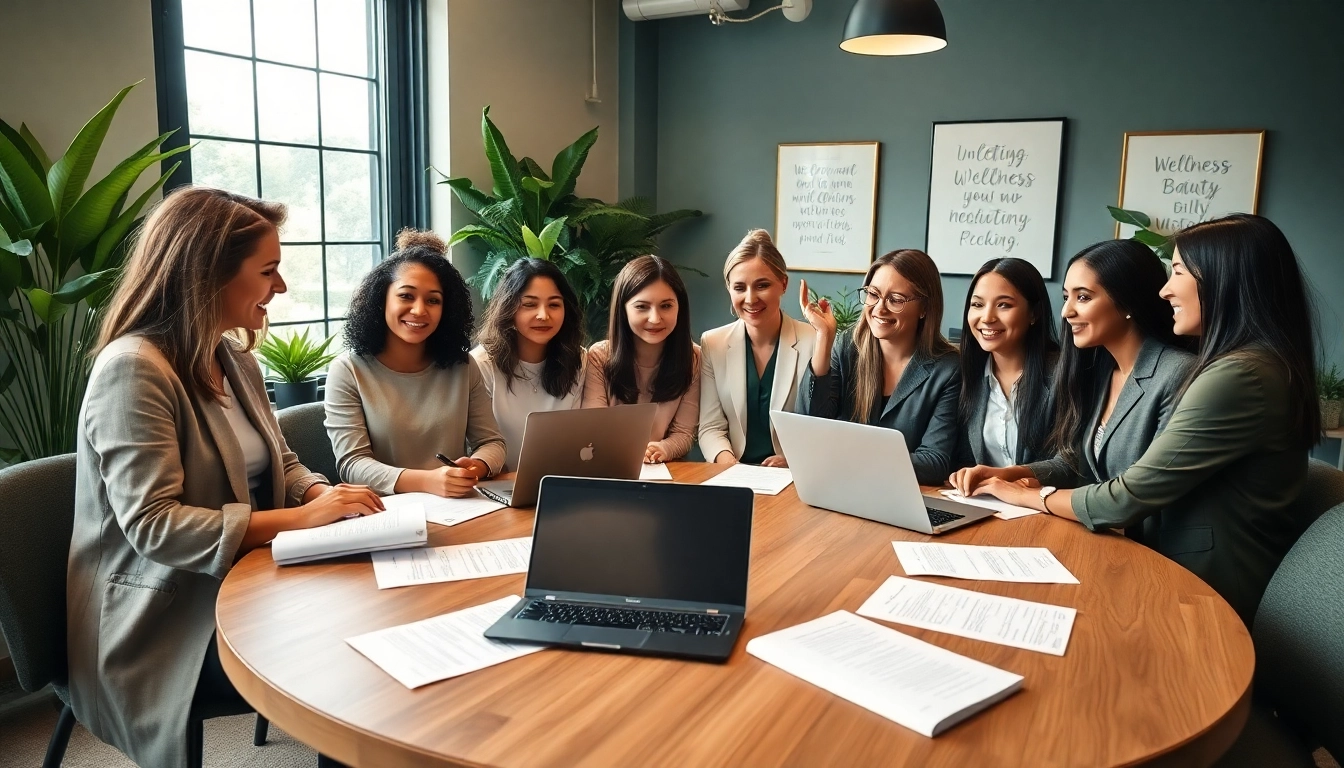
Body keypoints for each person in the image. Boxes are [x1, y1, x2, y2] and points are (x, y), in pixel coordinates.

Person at [68, 187, 383, 768]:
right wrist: (303, 519)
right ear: (207, 275)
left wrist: (325, 495)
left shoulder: (235, 359)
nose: (280, 286)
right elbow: (156, 527)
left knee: (377, 619)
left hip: (247, 580)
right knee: (348, 667)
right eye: (268, 270)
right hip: (163, 614)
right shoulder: (133, 370)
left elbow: (281, 462)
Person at [968, 214, 1320, 627]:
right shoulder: (1115, 370)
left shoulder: (1236, 376)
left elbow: (1126, 497)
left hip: (1200, 590)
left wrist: (1029, 496)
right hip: (1155, 563)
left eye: (1178, 272)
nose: (1166, 289)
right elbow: (1087, 463)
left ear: (1222, 278)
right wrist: (1018, 474)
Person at [950, 240, 1194, 501]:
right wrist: (1006, 475)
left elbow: (1134, 491)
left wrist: (1025, 495)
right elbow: (1074, 462)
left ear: (1127, 302)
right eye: (1067, 297)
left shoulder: (1176, 372)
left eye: (1083, 297)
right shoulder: (1101, 372)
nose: (1066, 312)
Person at [325, 229, 505, 496]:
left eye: (433, 300)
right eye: (406, 296)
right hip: (384, 509)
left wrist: (477, 465)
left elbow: (492, 443)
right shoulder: (348, 370)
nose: (419, 310)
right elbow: (352, 464)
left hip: (457, 505)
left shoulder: (463, 366)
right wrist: (427, 481)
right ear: (381, 299)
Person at [798, 249, 960, 484]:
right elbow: (809, 427)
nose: (879, 308)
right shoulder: (847, 346)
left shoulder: (947, 368)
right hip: (840, 487)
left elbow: (934, 463)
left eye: (896, 300)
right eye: (873, 294)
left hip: (905, 495)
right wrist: (824, 337)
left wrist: (850, 458)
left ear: (924, 308)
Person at [699, 230, 816, 467]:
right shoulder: (713, 343)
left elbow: (823, 424)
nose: (751, 299)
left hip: (794, 473)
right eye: (739, 288)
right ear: (729, 288)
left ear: (783, 284)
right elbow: (710, 427)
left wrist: (793, 460)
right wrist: (729, 465)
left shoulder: (813, 340)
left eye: (762, 285)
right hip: (733, 471)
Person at [583, 255, 701, 463]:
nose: (655, 319)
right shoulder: (599, 357)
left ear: (679, 308)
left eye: (666, 306)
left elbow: (684, 433)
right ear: (623, 309)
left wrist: (663, 449)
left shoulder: (694, 358)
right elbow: (593, 427)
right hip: (609, 464)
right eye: (642, 307)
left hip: (664, 469)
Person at [471, 258, 586, 471]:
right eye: (529, 304)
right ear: (508, 308)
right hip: (498, 483)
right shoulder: (482, 364)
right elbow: (479, 445)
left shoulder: (578, 359)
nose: (543, 315)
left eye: (554, 304)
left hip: (560, 482)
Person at [953, 257, 1060, 469]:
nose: (987, 317)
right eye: (977, 304)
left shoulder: (1061, 374)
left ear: (1034, 313)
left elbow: (1069, 463)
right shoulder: (965, 374)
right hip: (982, 492)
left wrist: (1003, 479)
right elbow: (963, 457)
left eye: (1003, 305)